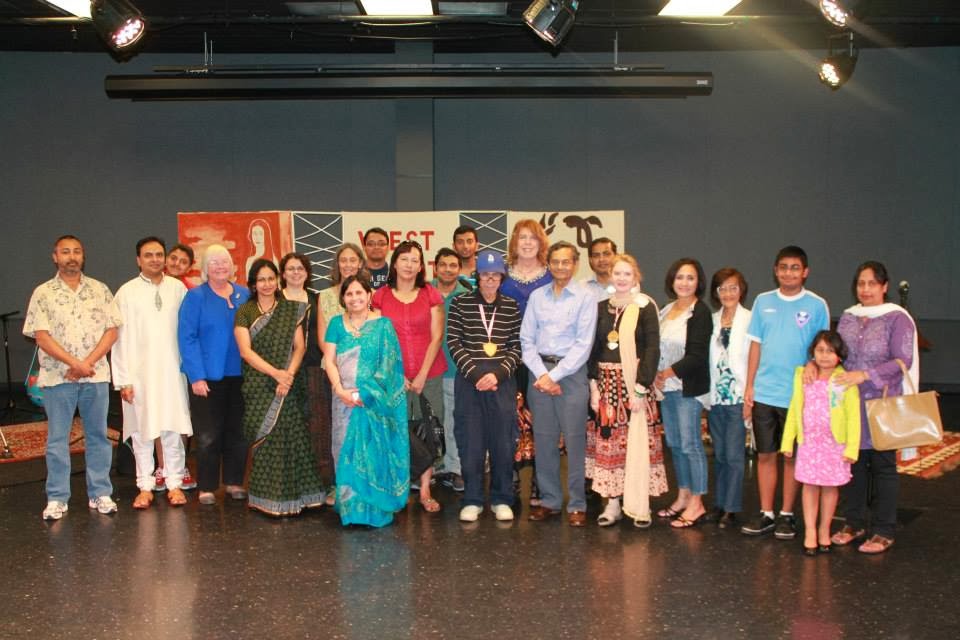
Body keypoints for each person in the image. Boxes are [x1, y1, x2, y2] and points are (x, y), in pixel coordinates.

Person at [24, 235, 122, 520]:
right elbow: (42, 336)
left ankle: (100, 493)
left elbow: (112, 331)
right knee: (57, 440)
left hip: (95, 375)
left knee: (98, 436)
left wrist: (86, 364)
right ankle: (57, 497)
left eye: (77, 251)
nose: (72, 256)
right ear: (55, 257)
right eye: (65, 252)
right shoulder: (43, 293)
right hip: (58, 378)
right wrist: (74, 363)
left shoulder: (100, 290)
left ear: (83, 256)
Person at [741, 246, 830, 539]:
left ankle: (787, 515)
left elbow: (822, 350)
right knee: (765, 455)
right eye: (783, 267)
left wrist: (812, 370)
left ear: (805, 272)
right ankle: (766, 512)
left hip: (798, 396)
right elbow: (756, 345)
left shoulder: (817, 305)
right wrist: (750, 386)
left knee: (791, 456)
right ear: (775, 270)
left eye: (795, 268)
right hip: (765, 393)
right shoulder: (762, 301)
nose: (788, 273)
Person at [831, 261, 918, 554]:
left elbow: (903, 360)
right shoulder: (849, 316)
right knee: (853, 463)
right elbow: (838, 353)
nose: (865, 289)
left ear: (884, 286)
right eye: (861, 283)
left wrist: (866, 375)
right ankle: (853, 523)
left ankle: (884, 530)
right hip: (850, 401)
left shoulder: (897, 318)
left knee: (883, 466)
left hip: (882, 400)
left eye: (872, 284)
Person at [235, 259, 324, 516]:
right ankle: (266, 498)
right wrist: (276, 374)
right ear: (253, 284)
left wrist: (288, 376)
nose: (266, 284)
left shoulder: (290, 309)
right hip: (259, 382)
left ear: (277, 280)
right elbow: (245, 351)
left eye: (270, 279)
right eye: (261, 279)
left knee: (293, 436)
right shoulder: (245, 312)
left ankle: (301, 497)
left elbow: (300, 347)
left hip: (288, 382)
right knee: (267, 437)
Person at [111, 236, 192, 510]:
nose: (155, 259)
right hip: (138, 375)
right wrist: (123, 380)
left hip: (172, 372)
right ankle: (144, 486)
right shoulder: (126, 292)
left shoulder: (178, 289)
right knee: (142, 431)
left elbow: (187, 332)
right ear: (138, 260)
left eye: (159, 254)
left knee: (172, 427)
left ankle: (174, 483)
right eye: (148, 255)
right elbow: (118, 339)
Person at [521, 241, 598, 527]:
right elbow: (526, 339)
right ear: (548, 264)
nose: (560, 266)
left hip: (571, 374)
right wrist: (543, 375)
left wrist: (553, 377)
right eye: (555, 262)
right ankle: (550, 501)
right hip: (539, 371)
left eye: (566, 261)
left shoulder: (586, 297)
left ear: (575, 264)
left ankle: (577, 503)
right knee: (544, 439)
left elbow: (583, 344)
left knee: (575, 440)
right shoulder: (537, 296)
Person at [323, 275, 409, 527]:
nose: (354, 298)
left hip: (374, 402)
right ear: (343, 298)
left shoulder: (383, 325)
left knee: (374, 451)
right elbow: (329, 360)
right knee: (344, 450)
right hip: (343, 400)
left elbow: (389, 367)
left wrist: (367, 394)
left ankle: (374, 509)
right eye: (349, 294)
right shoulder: (336, 323)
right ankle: (350, 509)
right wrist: (339, 389)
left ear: (369, 295)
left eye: (359, 293)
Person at [447, 249, 522, 522]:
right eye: (485, 274)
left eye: (495, 275)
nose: (490, 280)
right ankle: (473, 499)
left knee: (503, 443)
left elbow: (517, 346)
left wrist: (497, 375)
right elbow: (454, 342)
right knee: (471, 444)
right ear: (477, 276)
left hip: (502, 384)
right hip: (470, 383)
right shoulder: (460, 303)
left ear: (502, 277)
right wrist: (477, 375)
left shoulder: (511, 306)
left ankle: (502, 499)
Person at [372, 240, 447, 513]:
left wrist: (422, 374)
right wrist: (396, 373)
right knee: (397, 430)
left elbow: (437, 336)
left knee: (428, 429)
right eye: (404, 259)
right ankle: (399, 487)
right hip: (393, 378)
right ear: (394, 263)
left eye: (415, 260)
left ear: (421, 266)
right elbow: (378, 339)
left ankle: (425, 489)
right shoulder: (380, 296)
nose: (409, 265)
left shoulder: (430, 294)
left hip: (430, 374)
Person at [586, 254, 659, 528]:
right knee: (610, 448)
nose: (621, 278)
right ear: (611, 276)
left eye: (627, 274)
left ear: (636, 277)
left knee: (636, 446)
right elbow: (594, 349)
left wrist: (640, 388)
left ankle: (640, 504)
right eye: (617, 273)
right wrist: (594, 386)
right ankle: (613, 505)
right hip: (607, 387)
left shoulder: (645, 307)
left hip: (635, 386)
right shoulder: (601, 308)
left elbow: (652, 348)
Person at [178, 244, 250, 505]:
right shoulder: (195, 297)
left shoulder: (245, 294)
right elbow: (187, 338)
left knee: (238, 432)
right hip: (207, 378)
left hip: (242, 375)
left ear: (232, 266)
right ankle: (207, 487)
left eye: (224, 261)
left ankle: (234, 482)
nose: (220, 267)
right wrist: (196, 376)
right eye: (214, 262)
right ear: (205, 269)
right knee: (208, 435)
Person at [781, 330, 861, 556]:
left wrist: (852, 448)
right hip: (809, 443)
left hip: (834, 444)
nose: (825, 356)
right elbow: (794, 410)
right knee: (809, 485)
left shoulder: (845, 381)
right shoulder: (803, 376)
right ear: (813, 353)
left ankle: (824, 528)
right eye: (820, 350)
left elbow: (854, 417)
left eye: (830, 351)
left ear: (840, 356)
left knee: (829, 487)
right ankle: (810, 531)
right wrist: (788, 441)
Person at [654, 258, 713, 529]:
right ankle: (684, 495)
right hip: (667, 389)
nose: (684, 283)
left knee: (691, 445)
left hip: (687, 389)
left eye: (690, 278)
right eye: (680, 277)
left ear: (698, 282)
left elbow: (697, 355)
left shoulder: (699, 313)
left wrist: (667, 372)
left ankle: (697, 502)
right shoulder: (666, 310)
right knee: (675, 445)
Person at [500, 218, 552, 504]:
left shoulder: (551, 275)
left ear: (541, 242)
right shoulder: (502, 274)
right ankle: (511, 477)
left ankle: (540, 482)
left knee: (540, 420)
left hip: (541, 360)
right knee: (509, 418)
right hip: (508, 357)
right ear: (514, 242)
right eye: (522, 237)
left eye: (533, 237)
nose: (528, 243)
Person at [316, 243, 366, 500]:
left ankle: (366, 488)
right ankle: (339, 486)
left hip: (365, 378)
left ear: (360, 263)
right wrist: (341, 373)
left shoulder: (369, 294)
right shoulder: (325, 296)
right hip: (333, 373)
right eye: (343, 260)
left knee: (365, 433)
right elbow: (323, 340)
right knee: (336, 432)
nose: (348, 264)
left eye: (352, 260)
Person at [707, 267, 752, 529]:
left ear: (741, 289)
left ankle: (731, 508)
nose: (727, 293)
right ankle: (719, 503)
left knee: (734, 455)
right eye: (722, 288)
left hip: (737, 396)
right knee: (720, 454)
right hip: (716, 397)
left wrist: (750, 395)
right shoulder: (712, 320)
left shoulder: (750, 319)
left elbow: (754, 359)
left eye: (732, 287)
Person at [152, 241, 198, 492]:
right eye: (174, 258)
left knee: (181, 416)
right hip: (157, 363)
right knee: (159, 416)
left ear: (190, 267)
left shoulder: (190, 292)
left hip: (182, 363)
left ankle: (179, 467)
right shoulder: (150, 288)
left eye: (183, 262)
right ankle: (162, 466)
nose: (177, 264)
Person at [431, 247, 471, 492]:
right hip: (428, 370)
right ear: (435, 268)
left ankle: (456, 469)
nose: (448, 269)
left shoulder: (467, 296)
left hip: (456, 370)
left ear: (459, 269)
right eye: (443, 265)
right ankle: (431, 469)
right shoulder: (424, 292)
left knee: (455, 423)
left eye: (453, 265)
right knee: (430, 423)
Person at [243, 219, 278, 283]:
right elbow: (249, 285)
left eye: (261, 234)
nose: (257, 238)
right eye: (254, 234)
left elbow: (278, 284)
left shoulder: (273, 260)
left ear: (266, 235)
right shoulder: (250, 261)